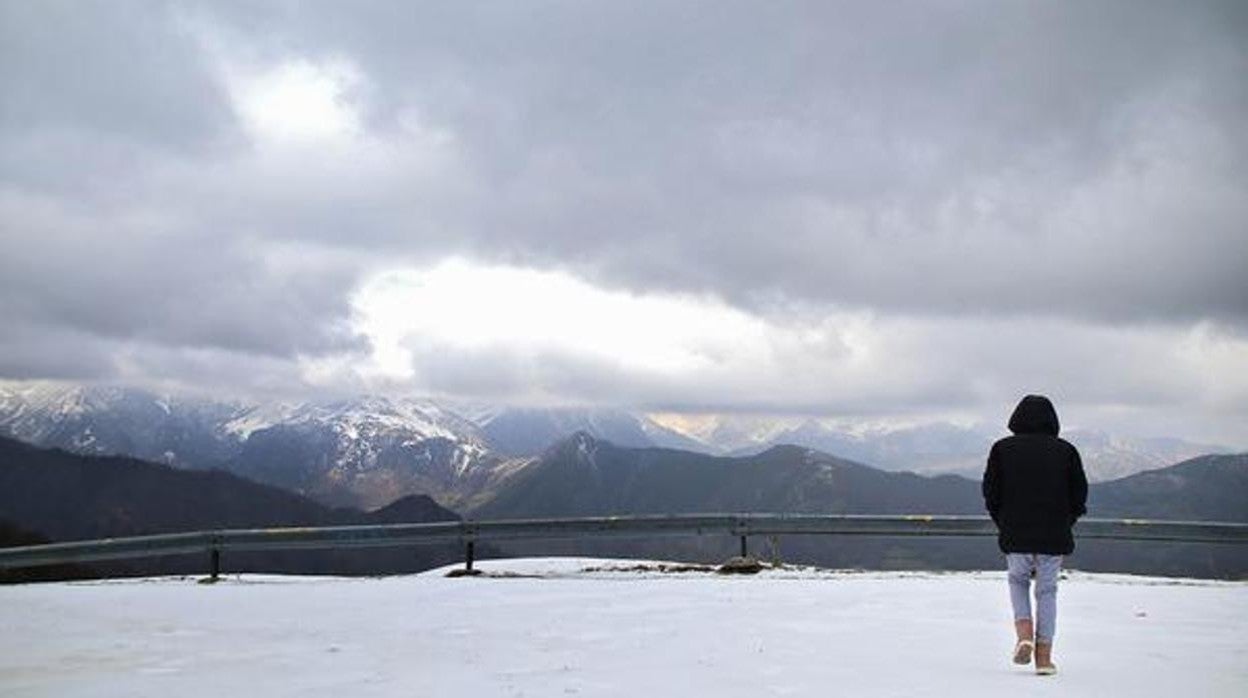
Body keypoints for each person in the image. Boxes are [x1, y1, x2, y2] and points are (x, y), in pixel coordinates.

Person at [982, 394, 1088, 676]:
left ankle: (1024, 634)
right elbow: (1079, 496)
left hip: (1016, 531)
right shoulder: (1066, 451)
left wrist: (1003, 522)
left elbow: (991, 493)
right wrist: (1066, 521)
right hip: (1054, 533)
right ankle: (1044, 657)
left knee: (1018, 581)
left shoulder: (1002, 449)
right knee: (1047, 590)